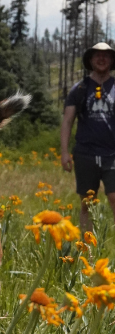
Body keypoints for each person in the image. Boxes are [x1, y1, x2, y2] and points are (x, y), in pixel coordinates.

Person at [61, 40, 115, 232]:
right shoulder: (80, 89)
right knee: (87, 203)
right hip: (85, 154)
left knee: (114, 198)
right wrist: (65, 152)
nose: (102, 59)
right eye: (97, 55)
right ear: (91, 60)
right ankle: (88, 249)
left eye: (106, 55)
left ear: (111, 60)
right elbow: (68, 121)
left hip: (112, 155)